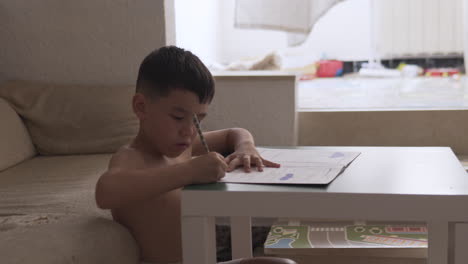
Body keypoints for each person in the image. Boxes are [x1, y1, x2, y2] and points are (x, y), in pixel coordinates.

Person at [95, 46, 296, 264]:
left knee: (285, 244)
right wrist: (189, 171)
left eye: (198, 120)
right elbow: (105, 192)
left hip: (209, 255)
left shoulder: (183, 145)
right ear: (141, 107)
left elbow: (234, 133)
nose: (189, 131)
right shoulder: (132, 157)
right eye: (178, 116)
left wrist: (246, 146)